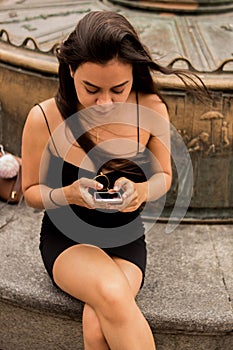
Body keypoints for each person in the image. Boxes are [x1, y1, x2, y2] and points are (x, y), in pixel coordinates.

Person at [22, 10, 203, 350]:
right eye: (91, 89)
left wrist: (141, 190)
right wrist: (69, 194)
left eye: (118, 89)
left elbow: (164, 175)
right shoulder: (44, 117)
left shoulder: (151, 109)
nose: (105, 102)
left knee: (96, 321)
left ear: (134, 75)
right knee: (111, 292)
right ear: (71, 70)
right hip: (67, 242)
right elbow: (31, 193)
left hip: (126, 242)